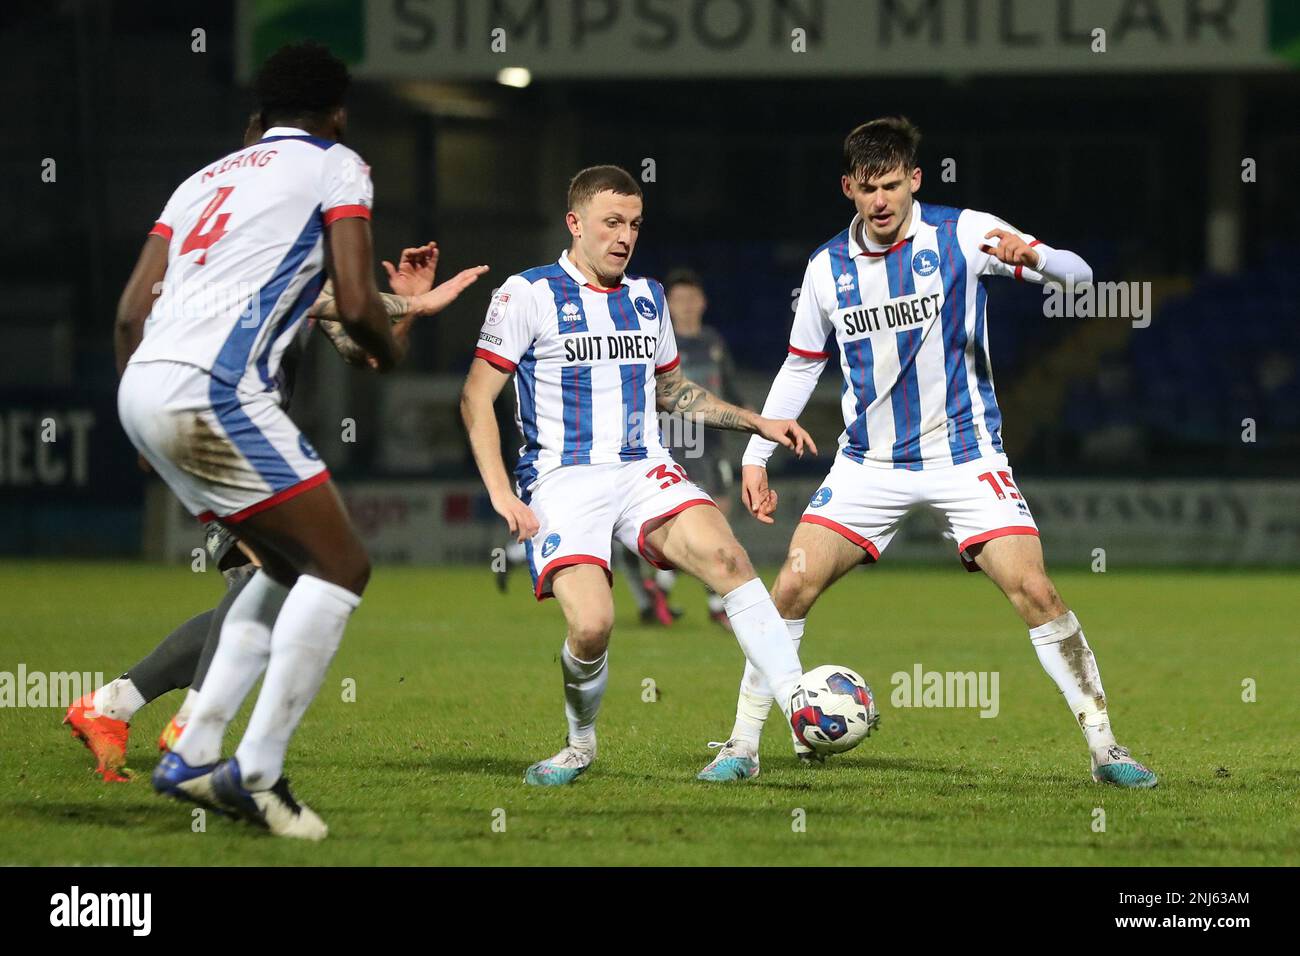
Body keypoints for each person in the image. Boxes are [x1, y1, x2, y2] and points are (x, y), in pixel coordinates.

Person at [698, 117, 1157, 789]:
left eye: (892, 185)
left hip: (966, 459)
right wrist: (754, 458)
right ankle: (742, 745)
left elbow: (1082, 276)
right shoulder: (827, 268)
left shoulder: (964, 235)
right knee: (791, 587)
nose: (880, 201)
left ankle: (1105, 748)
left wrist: (1039, 262)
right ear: (847, 188)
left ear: (914, 180)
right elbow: (800, 366)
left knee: (1034, 588)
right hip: (868, 467)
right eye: (867, 188)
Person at [115, 42, 421, 839]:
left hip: (141, 384)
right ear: (339, 110)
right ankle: (254, 770)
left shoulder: (203, 179)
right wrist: (391, 348)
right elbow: (356, 303)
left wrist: (144, 424)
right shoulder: (338, 164)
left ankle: (195, 752)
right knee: (344, 562)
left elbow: (127, 313)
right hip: (214, 389)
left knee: (284, 564)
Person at [67, 236, 484, 781]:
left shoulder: (304, 263)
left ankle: (111, 706)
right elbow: (345, 306)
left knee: (267, 589)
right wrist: (415, 304)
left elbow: (368, 351)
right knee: (271, 576)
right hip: (212, 429)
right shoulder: (249, 255)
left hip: (238, 437)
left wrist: (402, 307)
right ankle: (193, 724)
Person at [460, 164, 817, 786]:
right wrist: (500, 493)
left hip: (642, 468)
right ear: (575, 224)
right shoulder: (528, 294)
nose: (624, 236)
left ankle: (799, 709)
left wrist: (752, 421)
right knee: (592, 624)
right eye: (611, 223)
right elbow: (475, 397)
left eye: (634, 224)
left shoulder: (647, 297)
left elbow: (672, 391)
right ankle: (579, 745)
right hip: (562, 479)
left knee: (729, 561)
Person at [646, 268, 747, 630]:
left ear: (702, 302)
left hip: (713, 444)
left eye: (692, 298)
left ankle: (664, 587)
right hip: (676, 444)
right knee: (698, 523)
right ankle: (712, 601)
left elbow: (731, 390)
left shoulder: (713, 342)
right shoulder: (660, 345)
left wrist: (751, 419)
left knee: (719, 520)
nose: (686, 306)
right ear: (668, 306)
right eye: (678, 299)